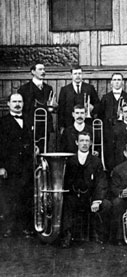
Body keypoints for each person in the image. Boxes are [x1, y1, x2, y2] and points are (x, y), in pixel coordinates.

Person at [61, 131, 112, 248]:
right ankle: (66, 235)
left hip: (90, 197)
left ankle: (98, 235)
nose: (84, 143)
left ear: (91, 143)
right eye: (82, 141)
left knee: (106, 205)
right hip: (73, 196)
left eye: (87, 141)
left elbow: (101, 182)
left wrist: (97, 200)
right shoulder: (69, 160)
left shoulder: (96, 161)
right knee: (66, 203)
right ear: (76, 142)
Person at [0, 93, 34, 238]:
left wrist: (34, 148)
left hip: (26, 166)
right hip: (9, 167)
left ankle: (25, 228)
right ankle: (8, 228)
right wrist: (1, 166)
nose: (17, 104)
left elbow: (31, 140)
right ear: (8, 104)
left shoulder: (28, 119)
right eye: (14, 101)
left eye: (20, 101)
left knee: (25, 196)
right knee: (9, 197)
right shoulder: (2, 122)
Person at [98, 73, 127, 170]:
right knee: (110, 158)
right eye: (114, 80)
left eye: (119, 80)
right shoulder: (105, 97)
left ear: (122, 82)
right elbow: (100, 116)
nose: (117, 82)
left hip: (123, 133)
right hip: (109, 133)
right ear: (111, 83)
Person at [58, 65, 100, 131]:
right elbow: (61, 110)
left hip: (86, 123)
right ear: (71, 75)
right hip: (69, 124)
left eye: (79, 73)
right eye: (75, 74)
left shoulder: (90, 88)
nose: (77, 76)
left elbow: (98, 104)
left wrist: (93, 108)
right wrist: (61, 126)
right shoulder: (65, 90)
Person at [17, 63, 54, 135]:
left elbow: (51, 106)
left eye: (44, 69)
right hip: (30, 125)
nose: (43, 72)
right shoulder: (24, 89)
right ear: (33, 72)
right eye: (40, 69)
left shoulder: (48, 88)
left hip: (45, 125)